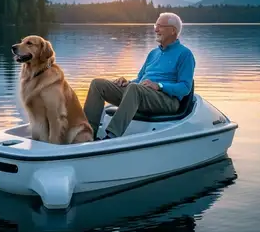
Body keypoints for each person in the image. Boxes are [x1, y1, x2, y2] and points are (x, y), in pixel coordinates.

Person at [84, 12, 196, 140]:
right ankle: (87, 134)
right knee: (98, 84)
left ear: (172, 31)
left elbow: (185, 87)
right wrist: (128, 82)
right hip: (141, 93)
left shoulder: (185, 54)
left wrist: (159, 86)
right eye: (155, 25)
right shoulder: (153, 53)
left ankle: (111, 137)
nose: (156, 29)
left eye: (160, 26)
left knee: (134, 89)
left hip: (167, 100)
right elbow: (140, 79)